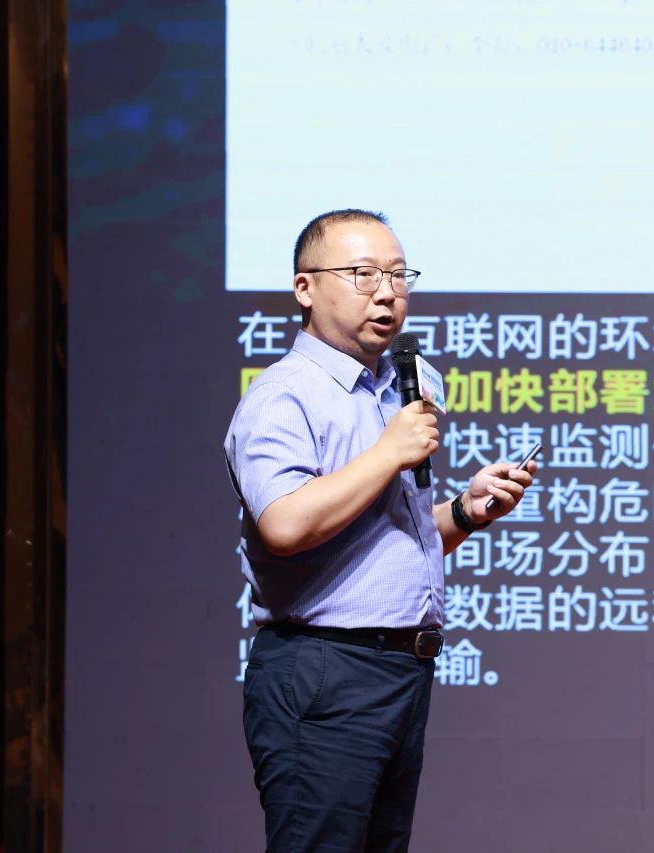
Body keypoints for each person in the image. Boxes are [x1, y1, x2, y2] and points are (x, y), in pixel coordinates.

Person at [224, 209, 538, 852]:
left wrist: (466, 511)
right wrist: (389, 452)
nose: (387, 292)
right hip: (324, 669)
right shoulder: (284, 396)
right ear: (305, 288)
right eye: (363, 274)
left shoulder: (398, 391)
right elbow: (284, 524)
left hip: (400, 669)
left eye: (398, 275)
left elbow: (387, 539)